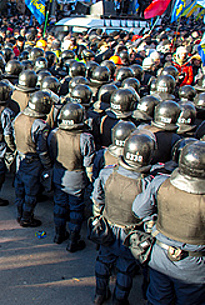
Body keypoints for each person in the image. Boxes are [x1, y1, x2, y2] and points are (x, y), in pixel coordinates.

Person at [132, 141, 205, 305]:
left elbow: (139, 210)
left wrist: (153, 222)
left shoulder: (160, 183)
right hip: (194, 267)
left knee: (158, 299)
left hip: (160, 257)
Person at [91, 133, 156, 305]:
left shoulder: (107, 173)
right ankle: (119, 300)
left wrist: (97, 218)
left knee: (103, 261)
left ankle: (99, 294)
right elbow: (147, 213)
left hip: (108, 226)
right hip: (131, 233)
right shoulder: (147, 183)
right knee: (125, 269)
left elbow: (97, 198)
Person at [49, 102, 95, 252]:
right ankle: (73, 240)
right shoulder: (85, 138)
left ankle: (58, 234)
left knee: (59, 205)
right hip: (77, 177)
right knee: (76, 209)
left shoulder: (54, 133)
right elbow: (89, 164)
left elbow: (50, 153)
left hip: (58, 175)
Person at [12, 91, 53, 227]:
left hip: (20, 156)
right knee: (31, 191)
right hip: (33, 161)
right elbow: (42, 150)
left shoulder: (19, 117)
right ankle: (27, 218)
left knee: (20, 188)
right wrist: (47, 165)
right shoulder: (40, 125)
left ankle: (19, 213)